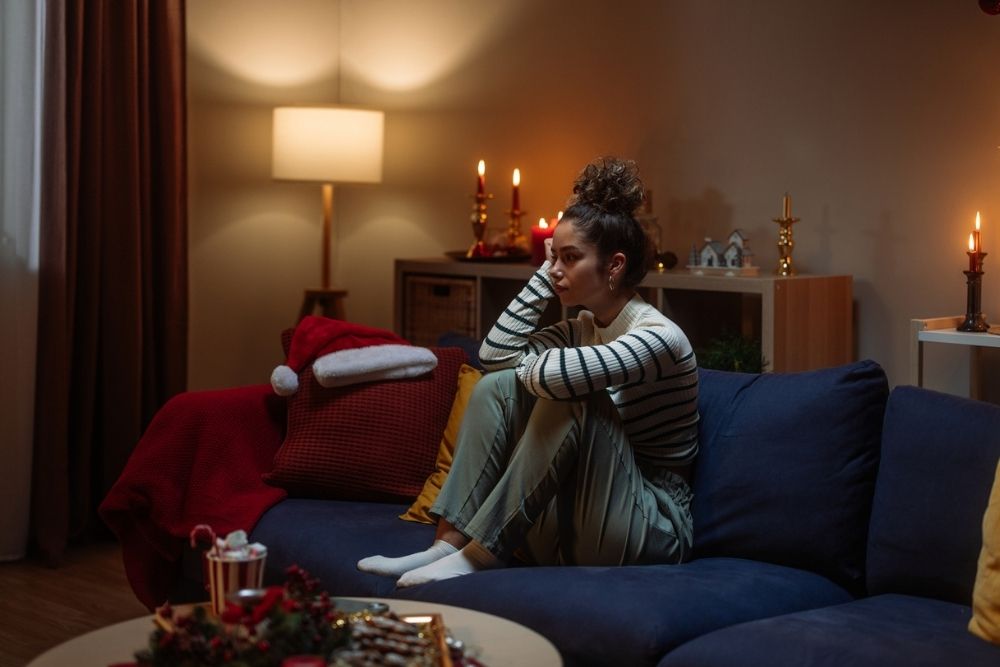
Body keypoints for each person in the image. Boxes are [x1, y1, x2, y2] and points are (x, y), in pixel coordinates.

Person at [358, 157, 699, 587]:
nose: (556, 270)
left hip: (650, 528)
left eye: (570, 258)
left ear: (614, 266)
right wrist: (547, 274)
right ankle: (447, 545)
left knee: (572, 397)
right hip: (580, 513)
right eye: (553, 257)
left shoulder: (658, 337)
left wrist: (539, 369)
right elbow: (494, 355)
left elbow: (551, 380)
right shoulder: (582, 329)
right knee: (495, 385)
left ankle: (480, 555)